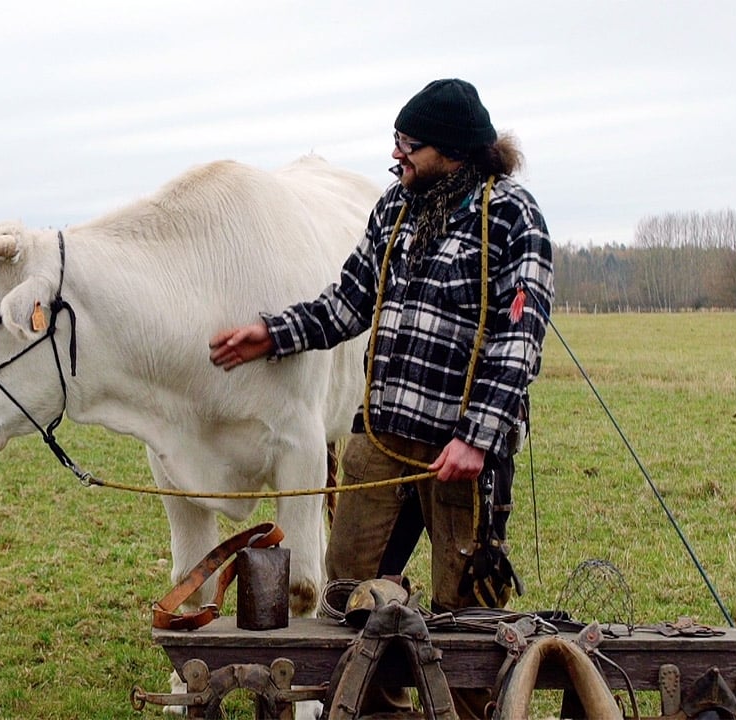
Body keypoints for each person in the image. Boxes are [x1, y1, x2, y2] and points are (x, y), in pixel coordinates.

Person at [209, 79, 552, 717]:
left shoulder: (512, 216)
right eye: (395, 140)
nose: (396, 155)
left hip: (460, 453)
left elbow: (520, 338)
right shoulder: (395, 206)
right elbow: (347, 302)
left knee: (468, 619)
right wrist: (271, 333)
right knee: (346, 598)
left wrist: (476, 437)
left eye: (408, 144)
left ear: (451, 149)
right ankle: (375, 706)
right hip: (382, 438)